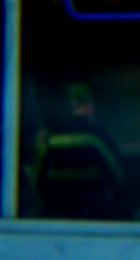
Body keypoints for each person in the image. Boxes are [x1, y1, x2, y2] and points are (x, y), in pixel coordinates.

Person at [34, 80, 125, 218]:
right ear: (89, 106)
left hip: (58, 213)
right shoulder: (97, 134)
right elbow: (118, 174)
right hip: (91, 212)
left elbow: (38, 181)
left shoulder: (52, 136)